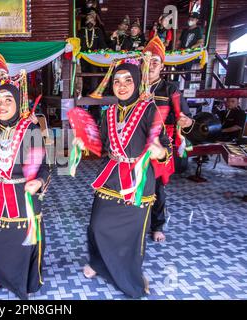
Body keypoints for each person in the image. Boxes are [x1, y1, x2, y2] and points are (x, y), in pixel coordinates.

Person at [80, 59, 172, 298]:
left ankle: (129, 273)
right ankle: (100, 264)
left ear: (137, 82)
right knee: (98, 225)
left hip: (138, 179)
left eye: (127, 80)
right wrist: (85, 143)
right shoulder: (108, 112)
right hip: (111, 176)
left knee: (131, 234)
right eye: (117, 81)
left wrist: (160, 152)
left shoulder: (149, 109)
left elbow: (165, 146)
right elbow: (102, 145)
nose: (121, 86)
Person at [0, 83, 50, 299]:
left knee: (25, 242)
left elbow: (45, 166)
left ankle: (26, 280)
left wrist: (38, 181)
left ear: (18, 104)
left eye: (8, 100)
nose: (2, 105)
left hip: (23, 195)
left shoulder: (30, 129)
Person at [143, 36, 194, 242]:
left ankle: (157, 225)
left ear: (162, 65)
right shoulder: (135, 85)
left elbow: (187, 118)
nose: (151, 64)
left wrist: (186, 122)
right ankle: (134, 223)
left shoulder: (169, 89)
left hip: (160, 145)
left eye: (155, 61)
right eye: (147, 60)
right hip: (136, 143)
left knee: (156, 188)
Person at [176, 12, 204, 84]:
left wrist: (191, 47)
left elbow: (200, 41)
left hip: (190, 54)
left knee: (187, 70)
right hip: (181, 53)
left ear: (196, 20)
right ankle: (174, 88)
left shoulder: (198, 30)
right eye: (190, 18)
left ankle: (187, 90)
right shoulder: (185, 30)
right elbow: (179, 42)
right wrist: (176, 50)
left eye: (192, 18)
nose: (190, 20)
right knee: (177, 71)